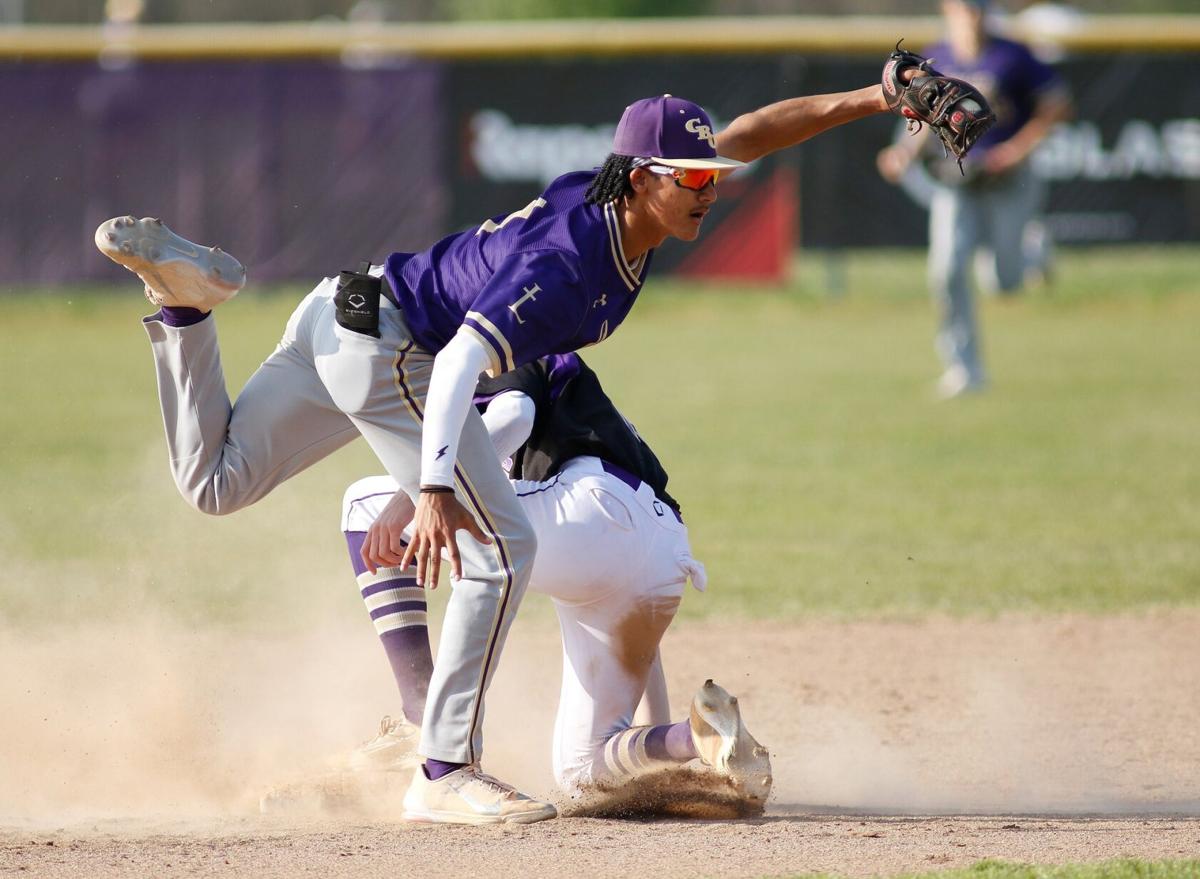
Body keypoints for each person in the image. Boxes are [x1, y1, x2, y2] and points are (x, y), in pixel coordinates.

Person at [97, 78, 919, 825]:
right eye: (690, 177)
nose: (709, 189)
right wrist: (430, 487)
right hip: (395, 347)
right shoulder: (568, 263)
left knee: (216, 481)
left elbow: (751, 133)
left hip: (338, 315)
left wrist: (877, 97)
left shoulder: (625, 205)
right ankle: (445, 768)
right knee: (502, 545)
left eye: (710, 176)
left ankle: (185, 309)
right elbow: (459, 363)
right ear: (640, 177)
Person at [338, 353, 771, 820]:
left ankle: (421, 715)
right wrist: (657, 723)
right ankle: (698, 736)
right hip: (659, 554)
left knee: (364, 505)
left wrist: (419, 495)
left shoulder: (501, 340)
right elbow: (637, 631)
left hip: (593, 507)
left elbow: (514, 415)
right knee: (583, 775)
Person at [876, 0, 1072, 398]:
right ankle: (964, 370)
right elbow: (919, 118)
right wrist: (902, 153)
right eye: (963, 6)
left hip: (1008, 178)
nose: (971, 13)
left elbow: (1058, 106)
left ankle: (1031, 250)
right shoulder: (939, 58)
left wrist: (1016, 150)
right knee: (945, 269)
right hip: (957, 179)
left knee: (1004, 283)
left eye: (977, 6)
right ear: (947, 9)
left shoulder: (1013, 54)